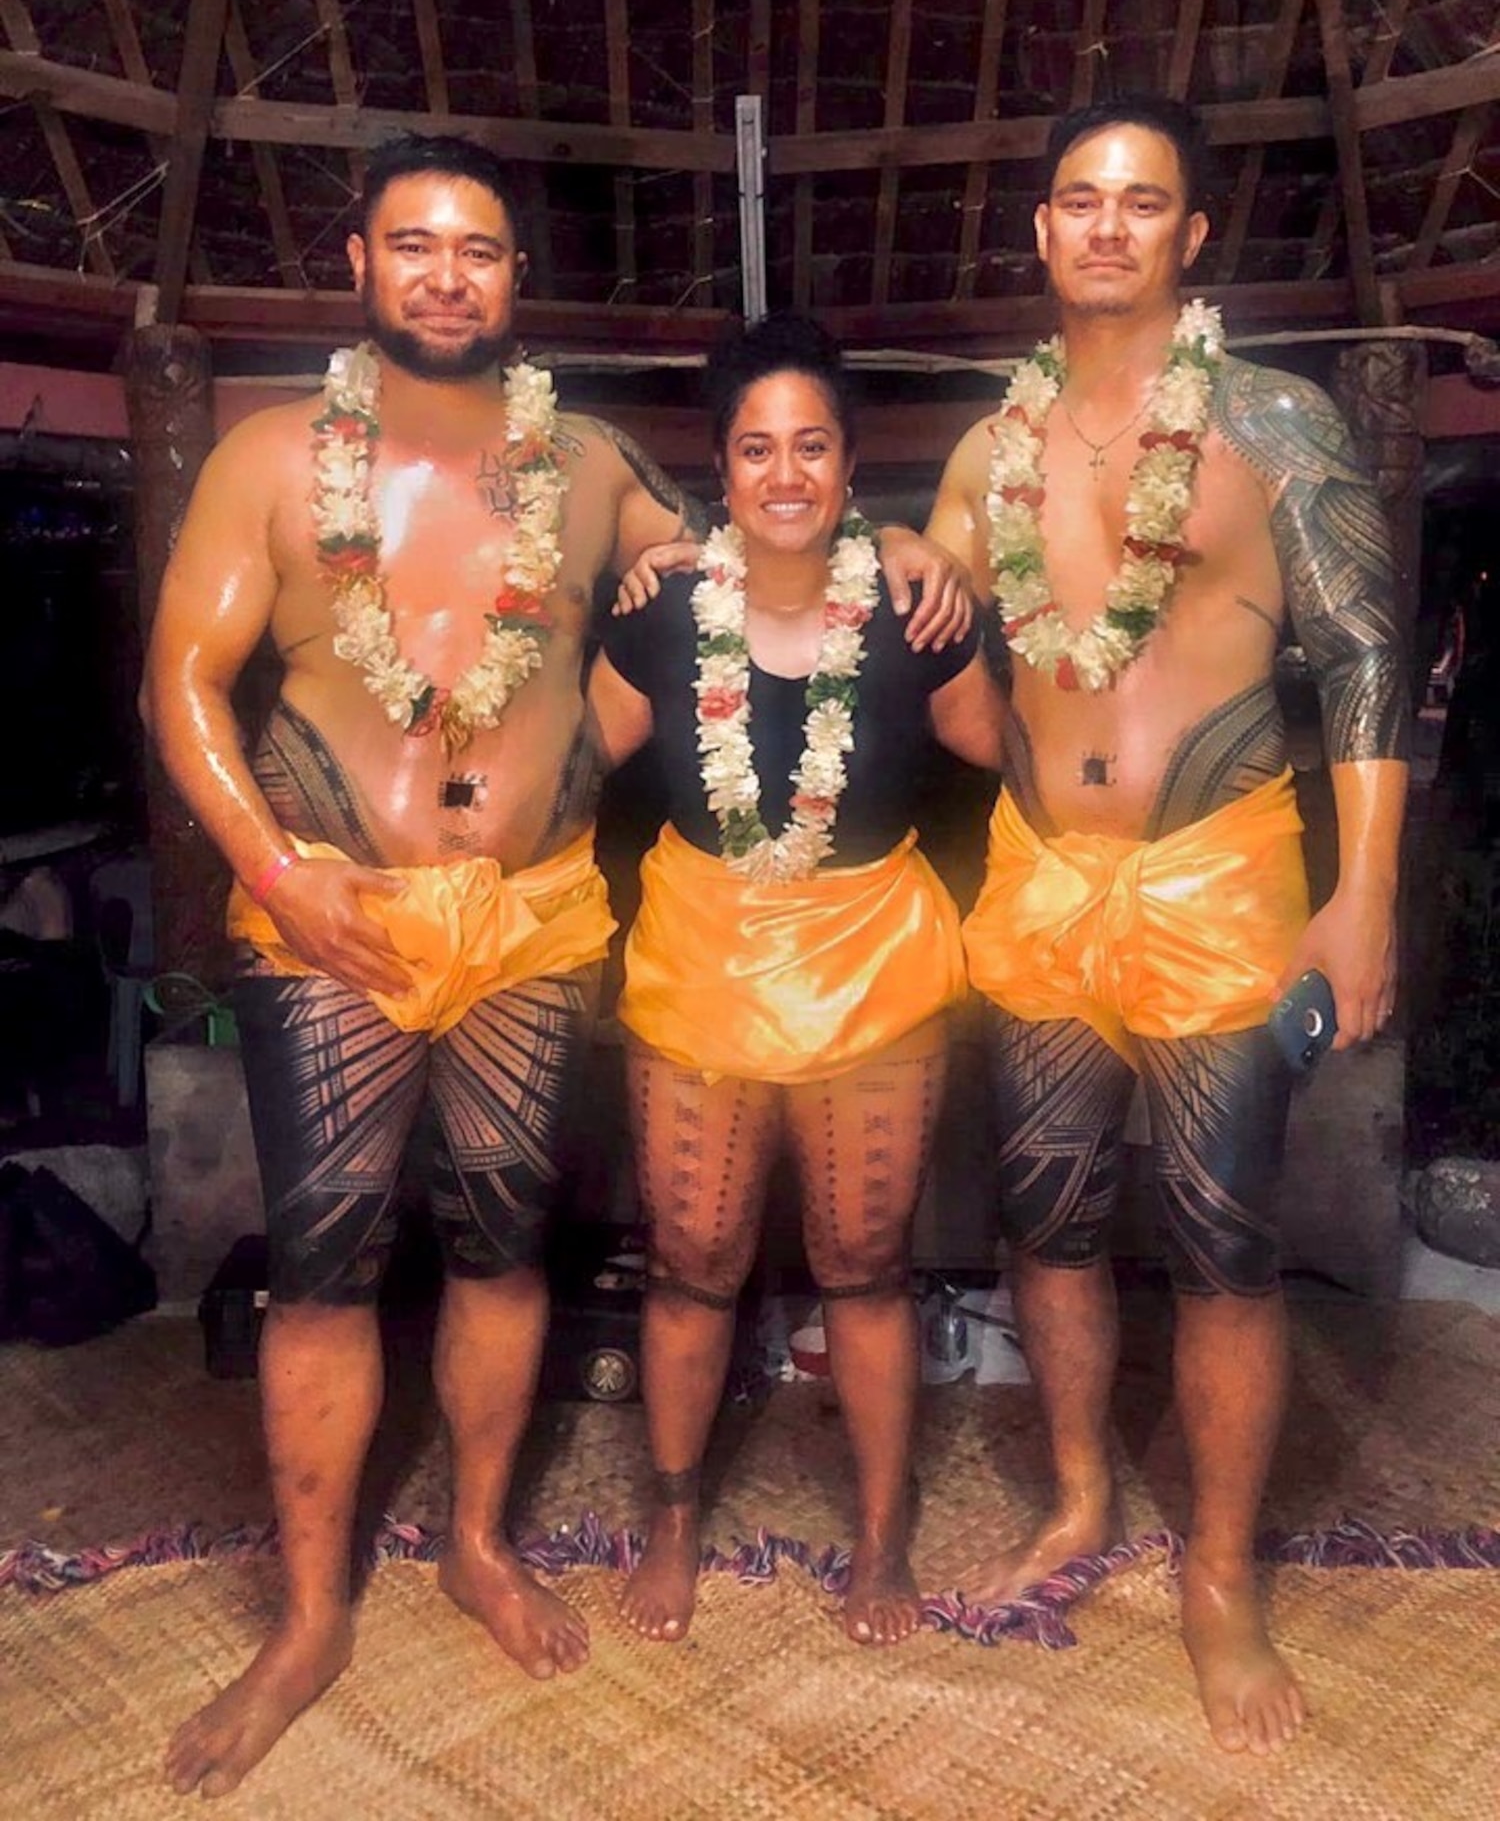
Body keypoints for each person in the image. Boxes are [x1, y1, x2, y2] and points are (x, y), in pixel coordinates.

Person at [143, 133, 965, 1799]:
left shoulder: (586, 466)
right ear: (357, 262)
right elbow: (182, 681)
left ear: (516, 281)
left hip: (530, 918)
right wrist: (272, 874)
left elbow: (768, 528)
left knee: (504, 1243)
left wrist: (915, 544)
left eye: (484, 250)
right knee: (323, 1257)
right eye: (417, 244)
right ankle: (307, 1617)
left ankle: (477, 1541)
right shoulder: (268, 457)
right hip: (336, 913)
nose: (450, 273)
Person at [926, 97, 1409, 1756]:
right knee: (1050, 1211)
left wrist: (1362, 901)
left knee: (1220, 1236)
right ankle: (1075, 1496)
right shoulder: (992, 449)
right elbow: (925, 632)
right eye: (1080, 200)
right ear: (1043, 231)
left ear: (1193, 236)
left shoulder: (1275, 422)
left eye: (1144, 203)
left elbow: (1362, 659)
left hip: (1220, 873)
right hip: (1042, 875)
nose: (1109, 227)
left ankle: (1219, 1573)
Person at [587, 314, 1004, 1647]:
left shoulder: (909, 608)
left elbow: (1020, 756)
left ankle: (881, 1540)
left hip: (868, 965)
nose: (784, 472)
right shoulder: (657, 616)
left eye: (810, 445)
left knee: (865, 1265)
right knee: (694, 1260)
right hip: (702, 962)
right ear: (719, 468)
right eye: (756, 447)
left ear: (848, 461)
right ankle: (671, 1517)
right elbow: (565, 764)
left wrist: (955, 572)